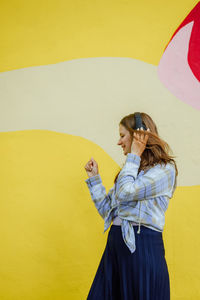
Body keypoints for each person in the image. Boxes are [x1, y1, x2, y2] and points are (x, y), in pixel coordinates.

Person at [84, 112, 178, 300]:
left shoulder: (164, 170)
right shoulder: (131, 170)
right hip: (115, 247)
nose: (119, 142)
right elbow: (107, 211)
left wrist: (134, 155)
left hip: (141, 247)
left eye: (122, 135)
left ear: (139, 136)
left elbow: (126, 192)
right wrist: (94, 180)